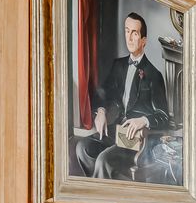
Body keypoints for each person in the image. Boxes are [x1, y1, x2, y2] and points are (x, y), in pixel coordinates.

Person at [73, 12, 173, 179]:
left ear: (144, 40)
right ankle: (102, 184)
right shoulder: (118, 65)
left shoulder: (154, 75)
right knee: (82, 148)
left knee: (103, 160)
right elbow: (103, 93)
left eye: (135, 33)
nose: (130, 38)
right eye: (127, 31)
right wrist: (101, 111)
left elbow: (163, 116)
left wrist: (143, 120)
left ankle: (99, 189)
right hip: (116, 130)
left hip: (137, 138)